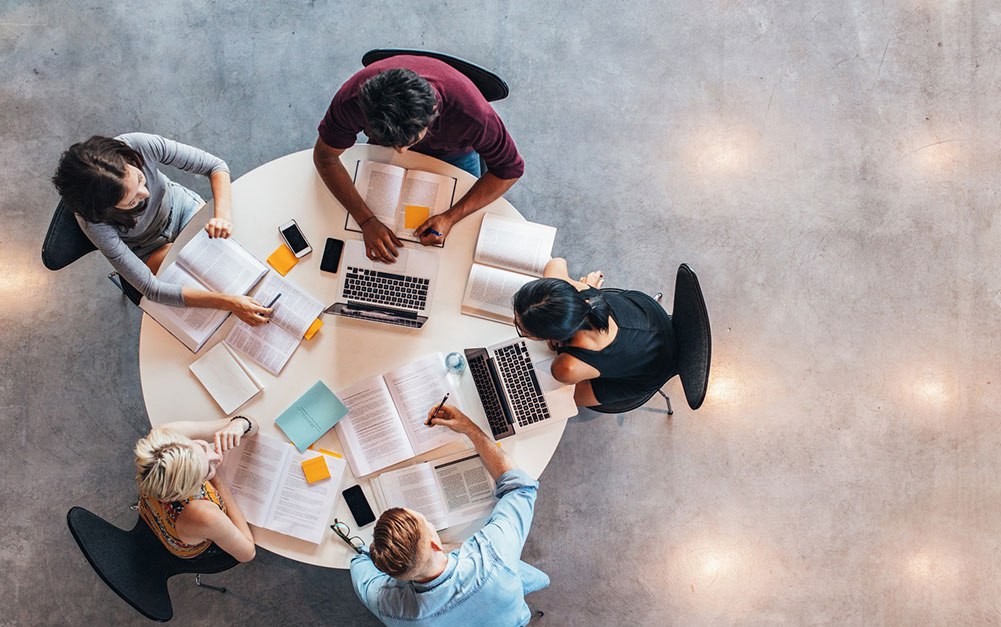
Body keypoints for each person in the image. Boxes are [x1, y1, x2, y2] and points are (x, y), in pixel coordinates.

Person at [349, 404, 548, 627]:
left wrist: (373, 553)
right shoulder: (492, 556)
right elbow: (520, 488)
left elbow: (358, 563)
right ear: (434, 542)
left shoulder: (385, 603)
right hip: (509, 623)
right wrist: (470, 429)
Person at [313, 55, 524, 261]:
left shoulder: (473, 115)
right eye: (394, 144)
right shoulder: (352, 98)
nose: (401, 153)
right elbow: (326, 157)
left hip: (455, 153)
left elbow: (509, 170)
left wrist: (451, 217)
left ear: (434, 112)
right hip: (382, 149)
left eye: (408, 141)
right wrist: (366, 220)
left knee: (459, 241)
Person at [52, 133, 272, 325]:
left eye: (140, 178)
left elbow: (215, 166)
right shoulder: (94, 222)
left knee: (241, 254)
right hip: (147, 248)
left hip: (183, 210)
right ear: (106, 210)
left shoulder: (137, 145)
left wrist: (222, 216)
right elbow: (151, 288)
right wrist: (228, 303)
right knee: (207, 289)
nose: (146, 194)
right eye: (132, 201)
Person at [512, 258, 678, 407]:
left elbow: (565, 371)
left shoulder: (565, 367)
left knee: (558, 401)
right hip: (650, 316)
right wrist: (587, 287)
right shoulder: (580, 292)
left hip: (653, 369)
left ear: (550, 336)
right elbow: (556, 263)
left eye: (522, 330)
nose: (514, 322)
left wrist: (559, 344)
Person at [133, 416, 259, 562]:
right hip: (188, 543)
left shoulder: (165, 436)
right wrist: (219, 479)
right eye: (207, 471)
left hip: (151, 508)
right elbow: (248, 553)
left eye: (203, 447)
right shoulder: (205, 514)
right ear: (191, 490)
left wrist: (240, 424)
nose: (217, 457)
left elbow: (251, 424)